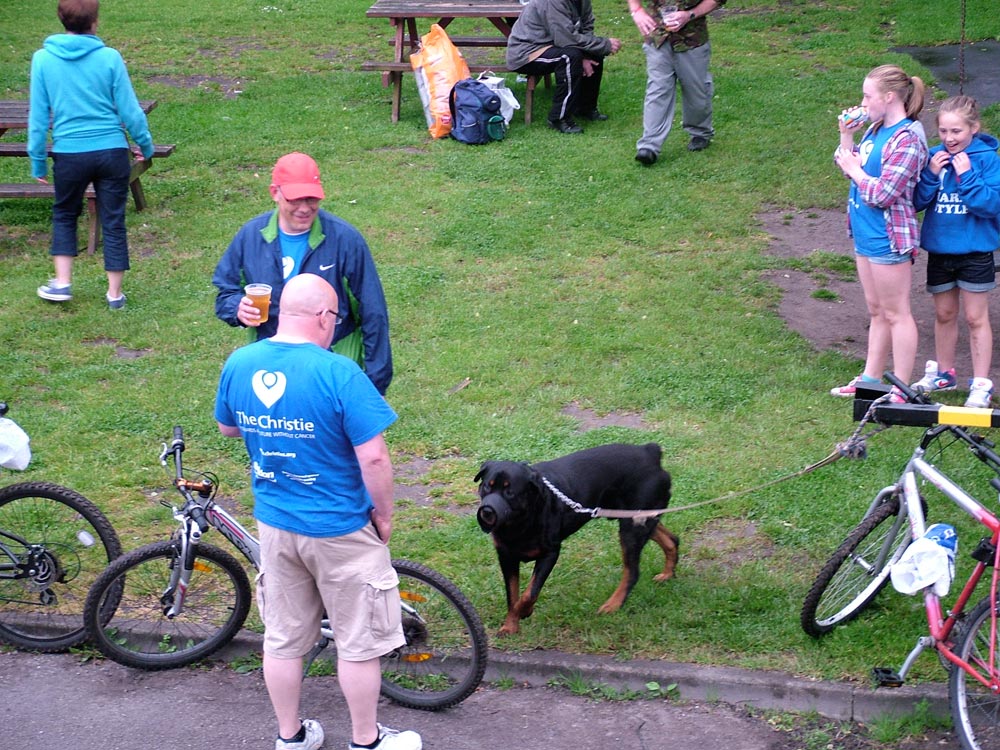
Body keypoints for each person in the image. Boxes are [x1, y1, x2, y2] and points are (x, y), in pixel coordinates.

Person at [215, 273, 421, 750]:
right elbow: (374, 457)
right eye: (335, 318)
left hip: (275, 524)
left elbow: (228, 428)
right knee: (358, 643)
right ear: (324, 318)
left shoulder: (241, 361)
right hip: (340, 527)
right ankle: (366, 741)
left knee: (284, 639)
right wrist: (384, 516)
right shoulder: (338, 373)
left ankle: (290, 738)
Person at [213, 152, 393, 394]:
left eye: (312, 199)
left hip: (333, 360)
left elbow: (374, 312)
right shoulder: (251, 237)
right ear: (274, 193)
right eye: (295, 199)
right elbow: (225, 291)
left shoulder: (344, 240)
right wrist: (237, 307)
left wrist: (375, 384)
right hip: (273, 361)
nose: (305, 208)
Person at [29, 0, 154, 309]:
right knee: (113, 220)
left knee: (64, 213)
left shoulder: (43, 59)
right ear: (95, 21)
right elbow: (130, 110)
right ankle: (114, 295)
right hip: (111, 152)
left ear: (61, 19)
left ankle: (63, 283)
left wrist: (37, 159)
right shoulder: (110, 58)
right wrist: (145, 145)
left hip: (69, 154)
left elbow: (38, 116)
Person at [830, 64, 929, 399]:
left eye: (867, 95)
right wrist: (847, 135)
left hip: (889, 239)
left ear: (889, 97)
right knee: (876, 310)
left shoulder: (908, 138)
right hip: (865, 234)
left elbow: (884, 193)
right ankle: (870, 380)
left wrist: (856, 170)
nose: (862, 101)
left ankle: (901, 388)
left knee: (897, 312)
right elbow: (845, 163)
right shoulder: (874, 129)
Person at [910, 96, 1000, 408]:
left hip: (975, 251)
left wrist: (967, 176)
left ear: (974, 128)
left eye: (957, 132)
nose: (950, 139)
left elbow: (990, 206)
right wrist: (932, 176)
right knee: (944, 314)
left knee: (976, 317)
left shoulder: (987, 159)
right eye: (944, 131)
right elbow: (917, 202)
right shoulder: (934, 156)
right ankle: (944, 374)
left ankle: (980, 384)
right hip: (940, 248)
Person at [629, 0, 724, 165]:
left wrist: (689, 15)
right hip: (657, 36)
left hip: (692, 40)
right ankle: (649, 145)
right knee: (658, 88)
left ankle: (700, 132)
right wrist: (636, 10)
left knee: (696, 90)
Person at [505, 0, 622, 134]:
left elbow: (587, 26)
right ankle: (559, 118)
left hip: (554, 44)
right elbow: (565, 39)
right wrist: (604, 44)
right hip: (528, 52)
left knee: (594, 52)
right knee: (569, 57)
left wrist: (588, 53)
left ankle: (585, 108)